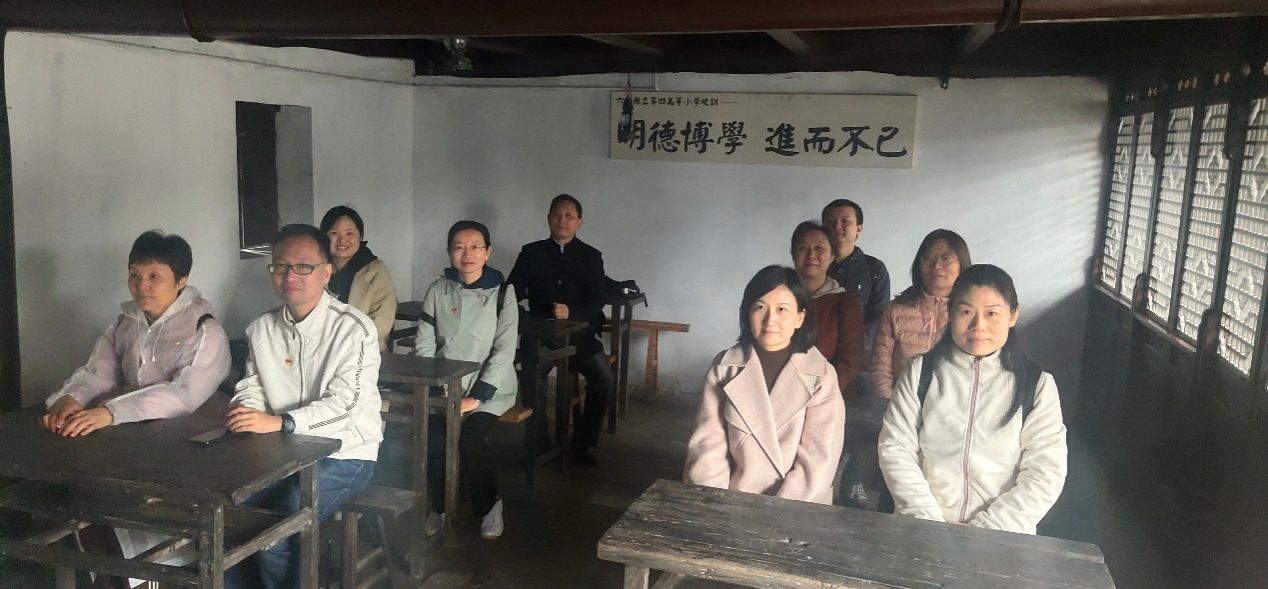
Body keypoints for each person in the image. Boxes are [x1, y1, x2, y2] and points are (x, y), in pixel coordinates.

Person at [39, 230, 231, 588]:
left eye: (154, 276)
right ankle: (113, 576)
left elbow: (184, 396)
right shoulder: (125, 323)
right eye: (135, 275)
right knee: (86, 493)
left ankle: (156, 578)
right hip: (134, 432)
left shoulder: (205, 331)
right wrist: (70, 399)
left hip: (192, 439)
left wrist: (110, 413)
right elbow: (99, 372)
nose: (142, 285)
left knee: (144, 509)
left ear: (182, 280)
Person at [226, 224, 383, 589]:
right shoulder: (262, 328)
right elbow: (251, 387)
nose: (289, 276)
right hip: (279, 454)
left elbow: (346, 405)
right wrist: (247, 412)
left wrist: (282, 422)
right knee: (228, 515)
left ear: (326, 272)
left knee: (280, 524)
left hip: (346, 455)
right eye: (280, 266)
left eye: (303, 266)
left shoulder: (354, 329)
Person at [878, 264, 1068, 534]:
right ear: (950, 312)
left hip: (1002, 535)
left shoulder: (1036, 385)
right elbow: (896, 447)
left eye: (992, 313)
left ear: (1013, 315)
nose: (979, 326)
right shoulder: (921, 373)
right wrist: (927, 521)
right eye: (966, 312)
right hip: (922, 528)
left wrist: (988, 528)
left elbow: (1045, 470)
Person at [683, 265, 845, 504]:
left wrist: (776, 513)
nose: (770, 320)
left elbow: (819, 460)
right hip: (732, 501)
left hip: (798, 506)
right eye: (760, 307)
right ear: (747, 313)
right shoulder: (725, 367)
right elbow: (707, 445)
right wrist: (715, 503)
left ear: (800, 317)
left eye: (782, 309)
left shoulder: (821, 375)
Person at [848, 229, 969, 511]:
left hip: (953, 419)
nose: (936, 266)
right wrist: (895, 410)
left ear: (962, 263)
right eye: (928, 259)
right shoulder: (897, 310)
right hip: (900, 414)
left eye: (946, 258)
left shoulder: (967, 312)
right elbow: (881, 367)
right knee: (895, 489)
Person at [415, 221, 518, 540]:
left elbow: (505, 349)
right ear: (449, 252)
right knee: (433, 439)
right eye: (459, 247)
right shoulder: (438, 290)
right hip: (446, 387)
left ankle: (489, 505)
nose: (467, 253)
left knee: (473, 440)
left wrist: (478, 397)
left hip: (490, 389)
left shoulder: (503, 293)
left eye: (475, 246)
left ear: (487, 252)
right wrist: (438, 388)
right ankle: (439, 506)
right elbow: (425, 344)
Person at [508, 194, 613, 466]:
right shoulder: (531, 252)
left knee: (604, 378)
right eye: (557, 214)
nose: (562, 220)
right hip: (541, 335)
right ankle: (539, 440)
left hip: (580, 337)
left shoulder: (591, 256)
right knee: (531, 377)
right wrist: (514, 309)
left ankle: (584, 444)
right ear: (548, 219)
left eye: (569, 216)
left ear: (579, 222)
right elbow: (513, 289)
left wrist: (572, 312)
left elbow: (597, 299)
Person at [790, 221, 865, 395]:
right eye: (803, 248)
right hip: (779, 395)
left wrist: (816, 396)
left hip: (828, 398)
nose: (811, 255)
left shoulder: (845, 303)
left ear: (832, 255)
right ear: (793, 254)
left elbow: (850, 362)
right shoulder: (778, 300)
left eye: (819, 248)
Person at [319, 205, 398, 350]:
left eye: (349, 233)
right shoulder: (315, 268)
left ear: (360, 237)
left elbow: (383, 320)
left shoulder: (375, 270)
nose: (342, 240)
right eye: (334, 233)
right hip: (321, 348)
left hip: (364, 350)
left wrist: (347, 343)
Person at [822, 199, 890, 358]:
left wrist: (855, 344)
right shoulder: (814, 267)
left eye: (845, 221)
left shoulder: (874, 268)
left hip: (861, 357)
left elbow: (880, 316)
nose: (837, 226)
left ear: (858, 229)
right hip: (817, 354)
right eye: (831, 222)